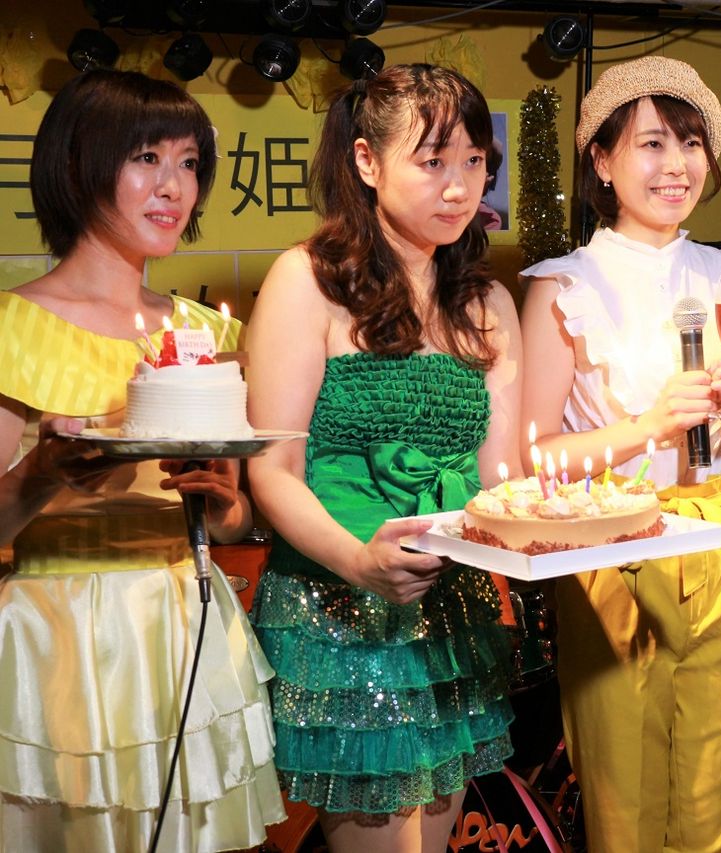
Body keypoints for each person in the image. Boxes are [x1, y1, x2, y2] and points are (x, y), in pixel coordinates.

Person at [0, 69, 284, 851]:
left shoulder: (210, 335)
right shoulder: (15, 327)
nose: (174, 187)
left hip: (187, 624)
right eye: (147, 158)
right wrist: (43, 474)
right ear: (76, 165)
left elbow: (234, 519)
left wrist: (224, 503)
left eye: (189, 162)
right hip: (59, 638)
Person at [245, 64, 522, 852]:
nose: (459, 186)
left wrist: (582, 529)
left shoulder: (487, 302)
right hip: (337, 613)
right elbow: (271, 470)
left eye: (474, 161)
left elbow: (501, 480)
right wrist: (359, 562)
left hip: (452, 614)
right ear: (366, 161)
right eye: (432, 161)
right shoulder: (306, 281)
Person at [519, 55, 721, 853]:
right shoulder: (564, 286)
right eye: (652, 144)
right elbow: (536, 458)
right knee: (622, 798)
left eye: (691, 144)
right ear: (602, 161)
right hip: (612, 546)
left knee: (716, 795)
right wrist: (651, 424)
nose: (677, 165)